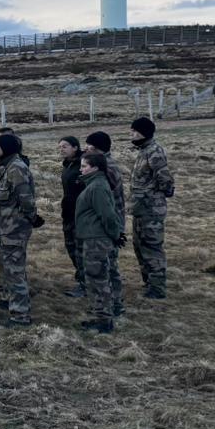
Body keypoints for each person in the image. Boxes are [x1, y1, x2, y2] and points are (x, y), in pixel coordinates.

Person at [0, 133, 38, 326]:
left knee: (15, 272)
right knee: (11, 271)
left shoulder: (16, 169)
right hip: (6, 229)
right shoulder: (7, 167)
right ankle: (15, 307)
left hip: (14, 230)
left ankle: (20, 317)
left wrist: (29, 219)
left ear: (7, 148)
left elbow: (26, 200)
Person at [74, 150, 121, 333]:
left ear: (95, 167)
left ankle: (103, 320)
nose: (81, 170)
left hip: (96, 240)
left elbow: (108, 215)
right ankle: (100, 315)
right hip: (93, 238)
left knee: (97, 279)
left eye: (84, 166)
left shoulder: (97, 187)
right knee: (96, 278)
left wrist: (115, 235)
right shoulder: (95, 184)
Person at [130, 116, 173, 298]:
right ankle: (148, 282)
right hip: (141, 209)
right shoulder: (144, 151)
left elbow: (165, 179)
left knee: (151, 247)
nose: (130, 134)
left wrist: (153, 196)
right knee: (139, 245)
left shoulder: (154, 152)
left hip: (151, 210)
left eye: (134, 131)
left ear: (143, 133)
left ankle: (157, 288)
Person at [84, 131, 127, 318]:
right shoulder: (106, 165)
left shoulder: (105, 169)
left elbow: (104, 204)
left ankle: (110, 306)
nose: (86, 149)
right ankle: (115, 304)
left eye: (89, 147)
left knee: (107, 267)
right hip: (109, 222)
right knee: (109, 265)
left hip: (107, 225)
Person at [57, 136, 85, 296]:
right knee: (71, 247)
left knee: (80, 249)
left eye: (65, 146)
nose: (61, 149)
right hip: (68, 212)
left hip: (80, 214)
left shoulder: (83, 164)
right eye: (60, 146)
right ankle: (82, 280)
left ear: (75, 147)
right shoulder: (68, 165)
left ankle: (85, 284)